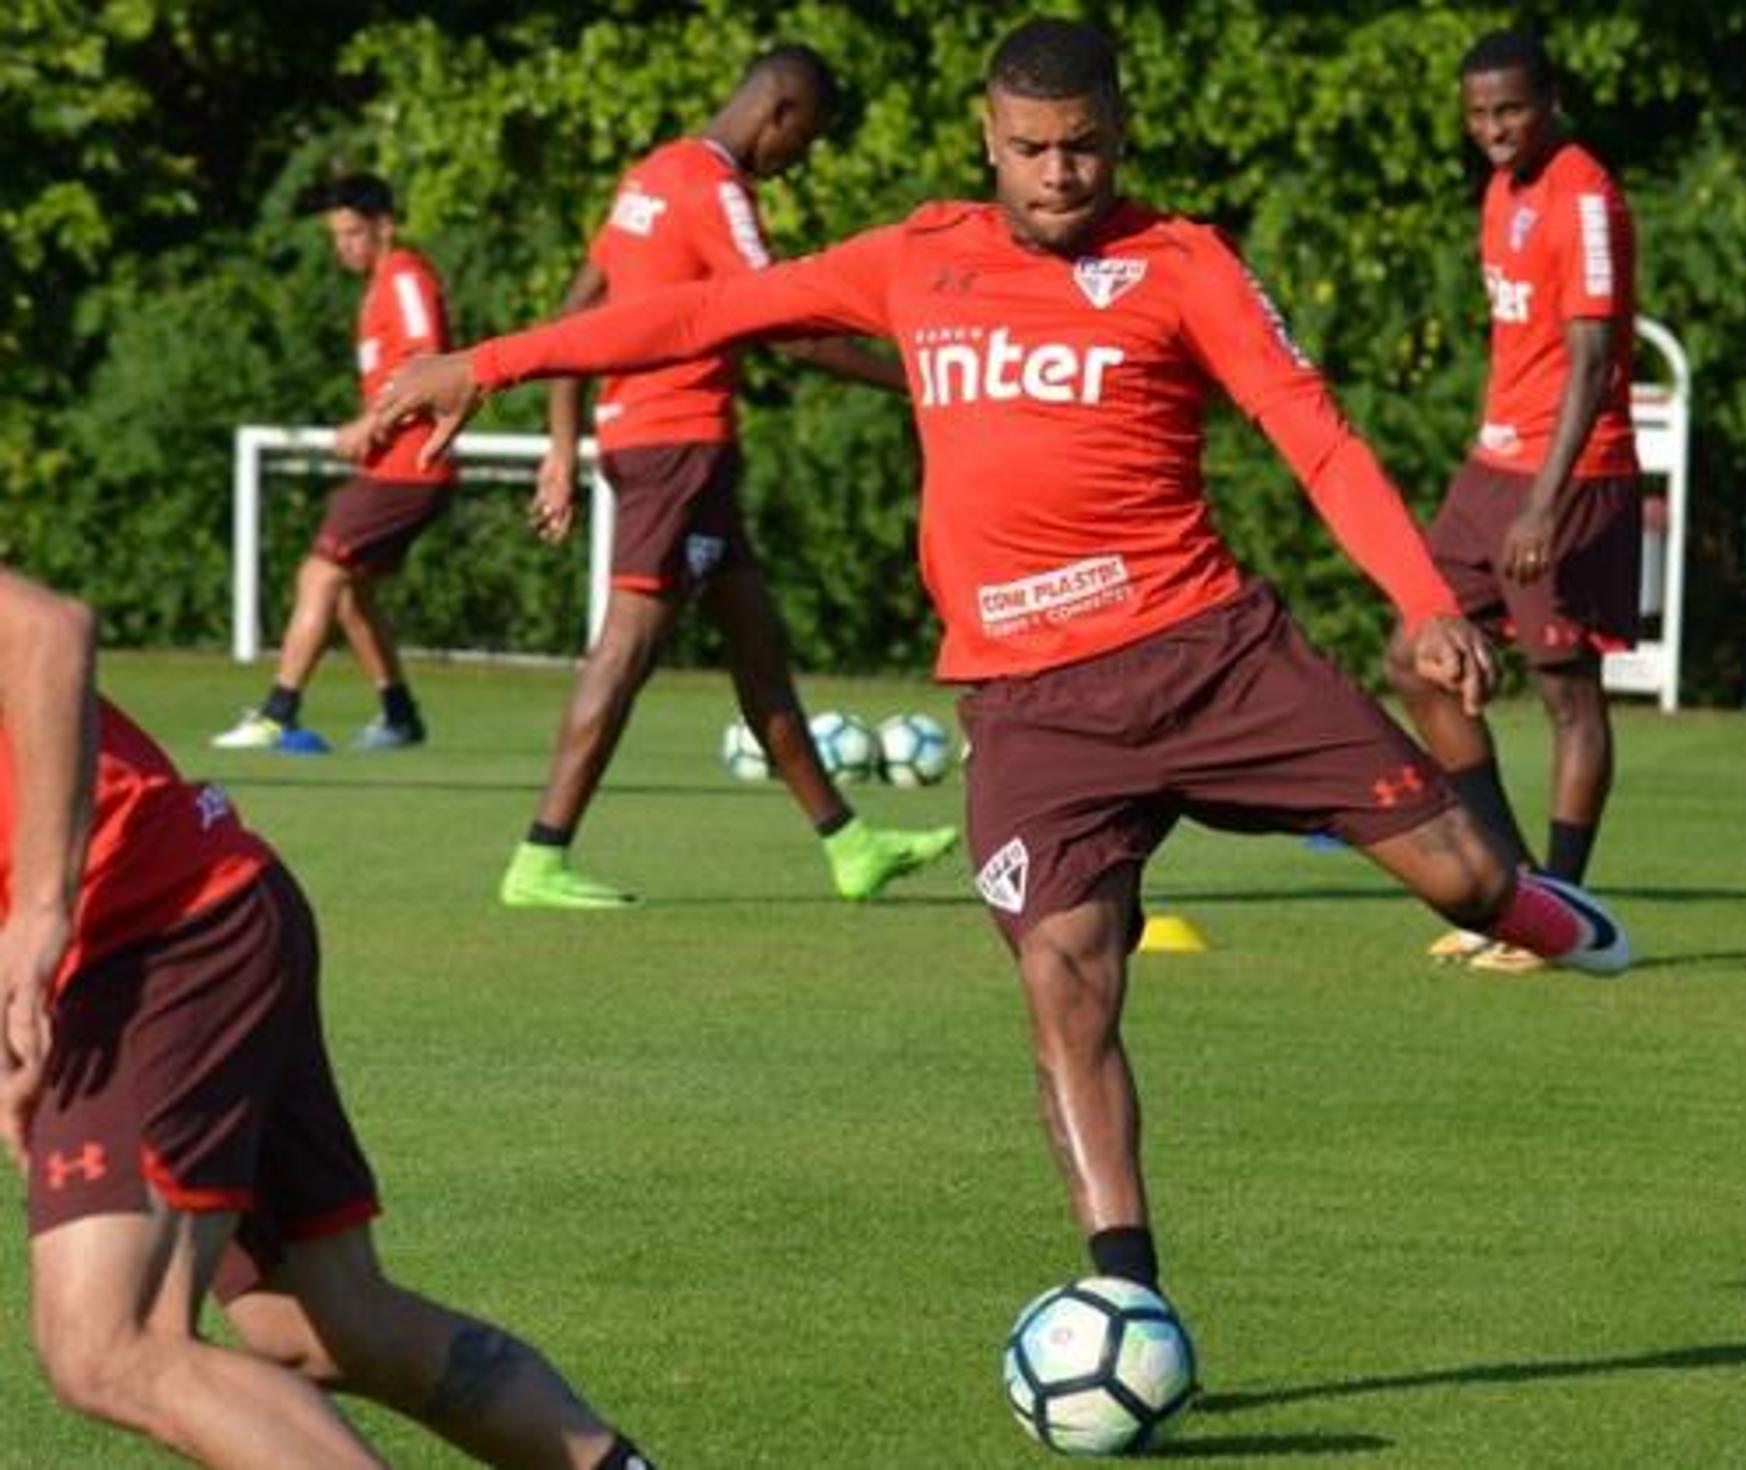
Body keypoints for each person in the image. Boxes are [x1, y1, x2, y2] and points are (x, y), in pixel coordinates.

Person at [375, 17, 1631, 1298]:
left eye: (1083, 148)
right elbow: (699, 310)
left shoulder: (1184, 262)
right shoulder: (916, 259)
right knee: (1064, 978)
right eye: (1030, 149)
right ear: (989, 139)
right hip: (1033, 705)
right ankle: (1122, 1292)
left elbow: (1313, 435)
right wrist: (486, 364)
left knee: (1466, 880)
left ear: (1117, 136)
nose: (1057, 175)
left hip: (1212, 654)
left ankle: (1537, 908)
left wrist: (1421, 600)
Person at [1, 567, 658, 1468]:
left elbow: (46, 634)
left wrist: (42, 910)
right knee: (321, 1320)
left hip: (158, 936)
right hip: (208, 918)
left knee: (110, 1346)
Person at [501, 44, 957, 908]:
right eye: (807, 140)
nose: (801, 159)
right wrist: (921, 376)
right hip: (677, 445)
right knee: (627, 644)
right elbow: (783, 321)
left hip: (658, 443)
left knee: (758, 648)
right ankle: (541, 856)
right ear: (778, 113)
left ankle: (851, 847)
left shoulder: (652, 175)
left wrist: (563, 443)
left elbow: (575, 309)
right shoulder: (714, 189)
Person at [1385, 29, 1642, 973]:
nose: (1494, 129)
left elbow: (1591, 359)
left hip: (1565, 478)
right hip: (1493, 466)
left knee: (1568, 694)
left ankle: (1562, 908)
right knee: (1417, 653)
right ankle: (1513, 887)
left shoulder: (1586, 196)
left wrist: (1544, 503)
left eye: (1511, 110)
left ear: (1551, 99)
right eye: (1479, 114)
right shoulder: (1504, 190)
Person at [213, 173, 457, 755]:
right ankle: (399, 715)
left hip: (410, 466)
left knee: (319, 573)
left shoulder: (404, 275)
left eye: (353, 232)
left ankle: (278, 712)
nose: (344, 245)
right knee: (350, 592)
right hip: (392, 464)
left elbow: (430, 360)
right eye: (337, 235)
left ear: (385, 226)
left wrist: (370, 426)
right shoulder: (379, 285)